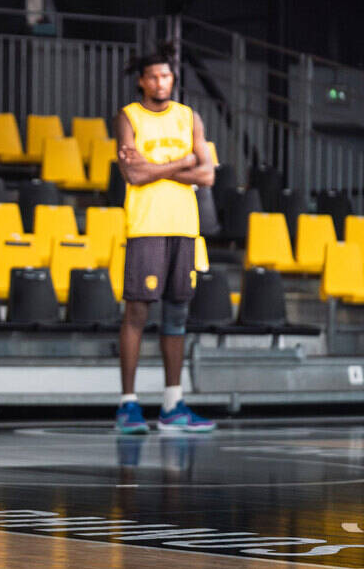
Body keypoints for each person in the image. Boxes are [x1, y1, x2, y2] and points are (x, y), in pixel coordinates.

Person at [113, 46, 216, 435]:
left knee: (177, 315)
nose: (162, 83)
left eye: (167, 76)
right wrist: (183, 163)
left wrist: (156, 167)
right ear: (142, 80)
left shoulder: (190, 117)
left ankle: (173, 405)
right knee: (137, 313)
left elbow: (207, 176)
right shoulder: (129, 116)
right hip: (146, 226)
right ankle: (128, 405)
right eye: (155, 77)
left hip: (185, 227)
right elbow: (134, 177)